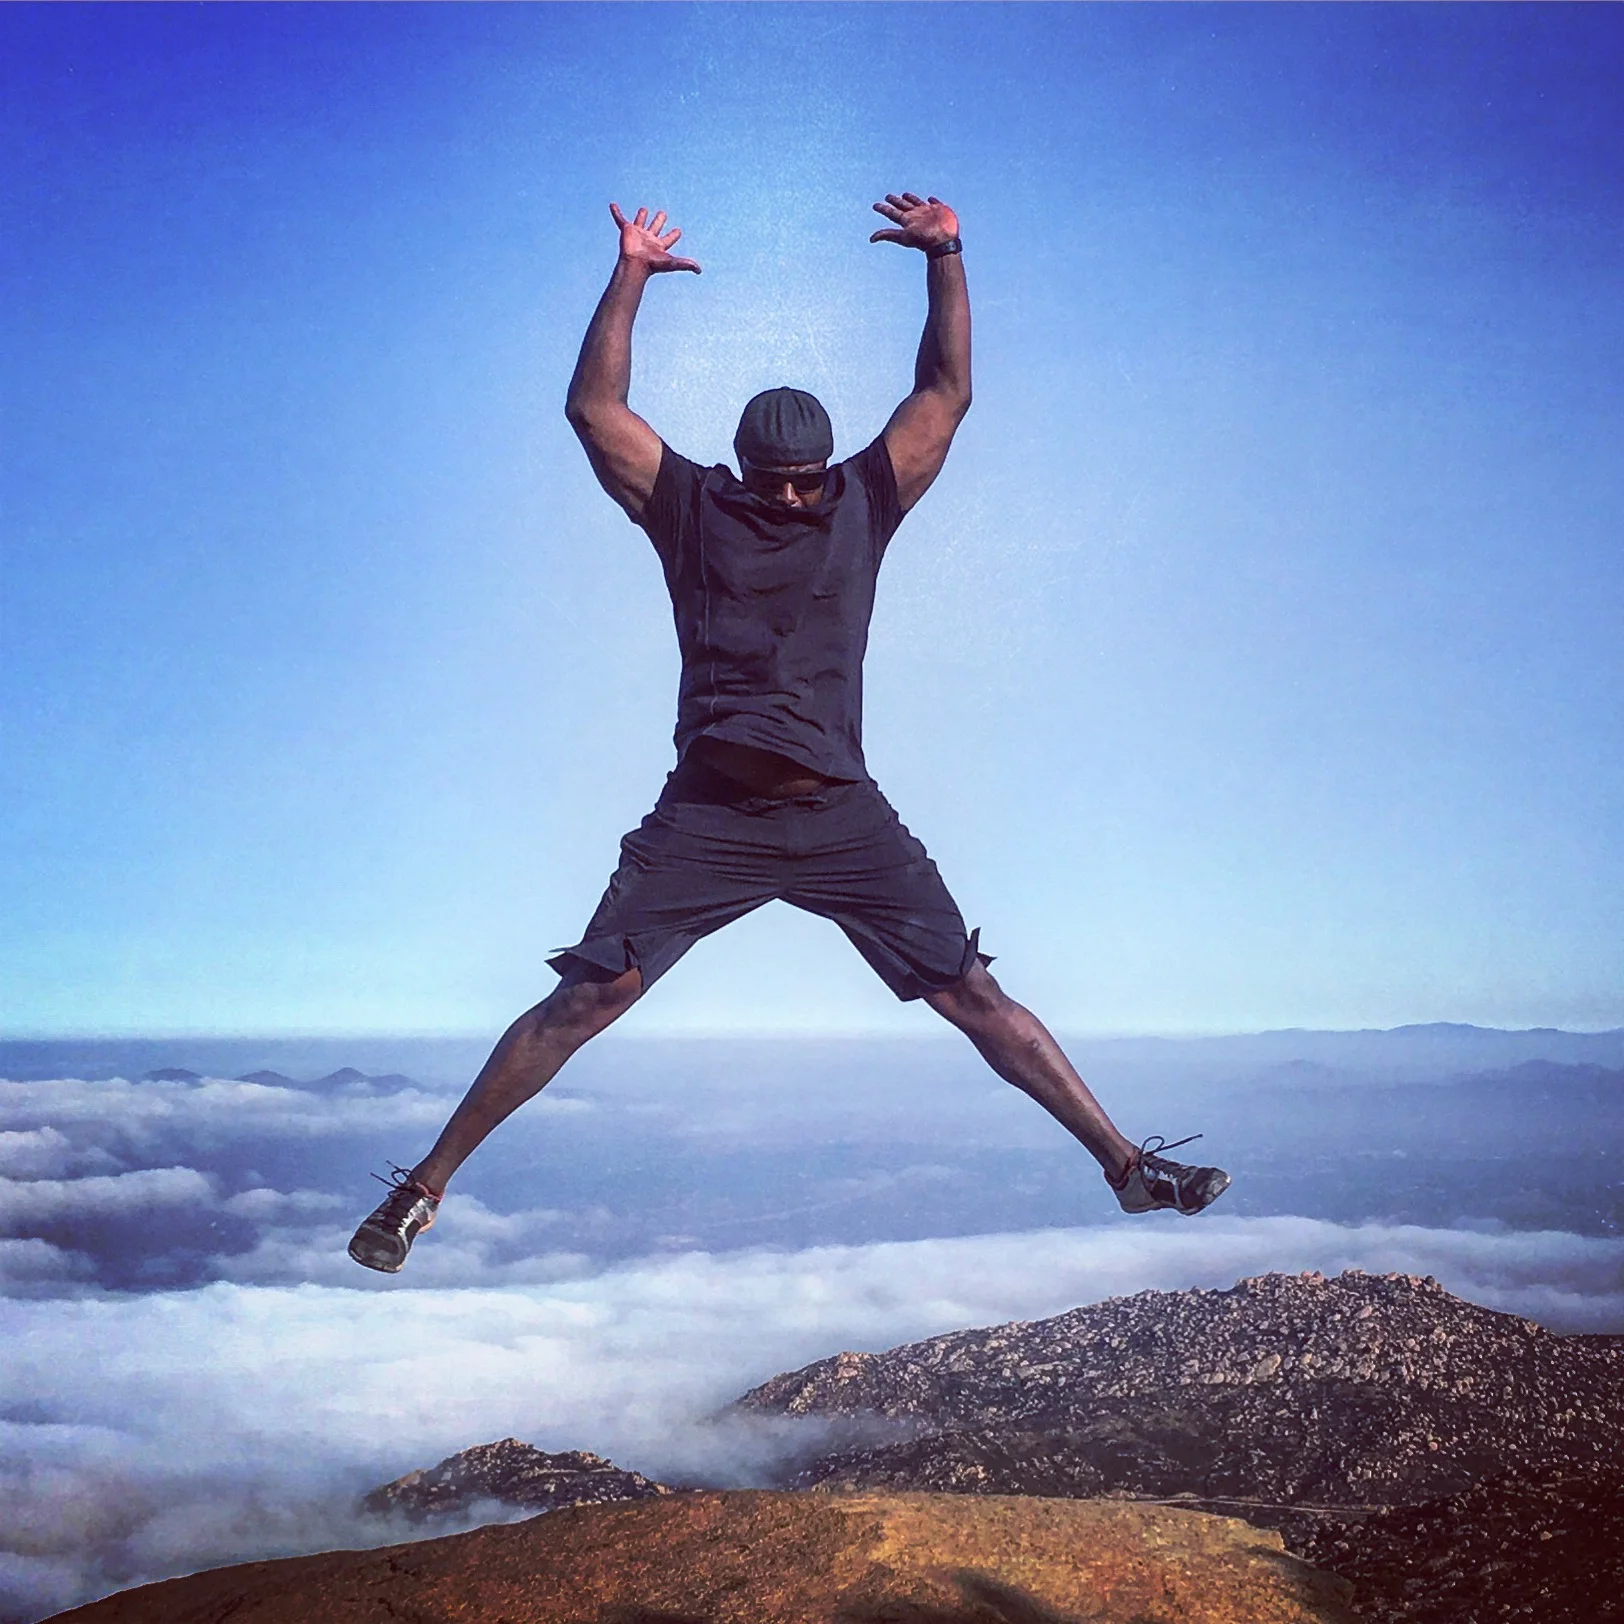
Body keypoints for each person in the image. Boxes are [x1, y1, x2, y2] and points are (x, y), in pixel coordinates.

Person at [349, 192, 1229, 1274]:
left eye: (808, 480)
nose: (797, 496)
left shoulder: (865, 497)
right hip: (711, 815)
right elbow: (593, 407)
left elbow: (946, 393)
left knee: (969, 989)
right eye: (777, 482)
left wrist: (946, 257)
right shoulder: (690, 507)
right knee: (589, 993)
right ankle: (421, 1191)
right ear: (743, 470)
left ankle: (1128, 1168)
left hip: (839, 813)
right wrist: (630, 272)